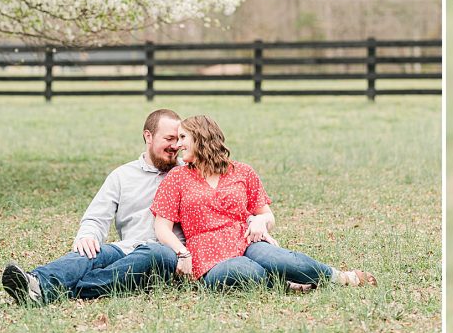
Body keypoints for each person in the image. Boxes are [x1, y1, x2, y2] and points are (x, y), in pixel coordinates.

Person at [151, 115, 376, 290]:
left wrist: (261, 221)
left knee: (284, 261)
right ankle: (287, 285)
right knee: (245, 272)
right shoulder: (177, 178)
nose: (178, 145)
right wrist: (183, 253)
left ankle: (341, 278)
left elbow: (268, 215)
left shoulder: (242, 172)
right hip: (207, 254)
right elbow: (162, 227)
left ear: (201, 138)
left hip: (246, 240)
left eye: (183, 138)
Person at [1, 109, 184, 305]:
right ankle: (36, 282)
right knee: (90, 253)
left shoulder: (188, 173)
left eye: (179, 139)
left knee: (156, 253)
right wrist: (87, 236)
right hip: (126, 249)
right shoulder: (122, 176)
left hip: (167, 253)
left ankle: (57, 291)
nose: (175, 146)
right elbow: (96, 217)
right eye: (169, 138)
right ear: (148, 136)